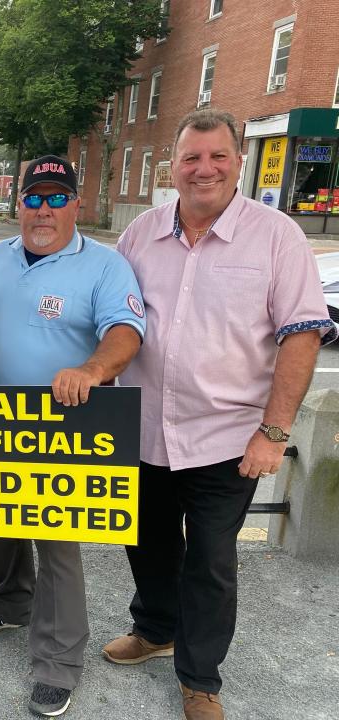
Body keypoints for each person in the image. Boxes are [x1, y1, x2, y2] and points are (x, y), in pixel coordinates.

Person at [107, 109, 334, 720]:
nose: (203, 169)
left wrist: (273, 431)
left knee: (209, 559)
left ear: (239, 162)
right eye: (190, 158)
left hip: (228, 439)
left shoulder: (277, 235)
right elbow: (107, 315)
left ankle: (201, 678)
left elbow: (302, 336)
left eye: (217, 157)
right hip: (144, 428)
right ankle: (154, 630)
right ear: (174, 166)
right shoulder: (141, 235)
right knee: (146, 543)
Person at [0, 155, 145, 717]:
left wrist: (92, 370)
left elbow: (126, 330)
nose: (44, 209)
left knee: (57, 547)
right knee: (0, 520)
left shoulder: (104, 265)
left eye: (56, 197)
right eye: (34, 198)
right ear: (21, 204)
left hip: (64, 427)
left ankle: (59, 661)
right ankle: (11, 600)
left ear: (76, 204)